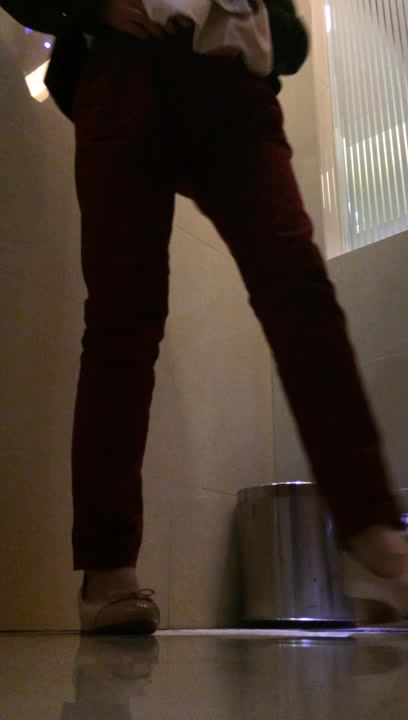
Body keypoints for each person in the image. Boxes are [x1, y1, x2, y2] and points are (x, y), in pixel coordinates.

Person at [3, 0, 408, 634]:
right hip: (122, 64)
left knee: (298, 289)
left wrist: (267, 30)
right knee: (121, 321)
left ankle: (373, 535)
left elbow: (292, 34)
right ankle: (108, 569)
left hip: (228, 75)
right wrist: (92, 5)